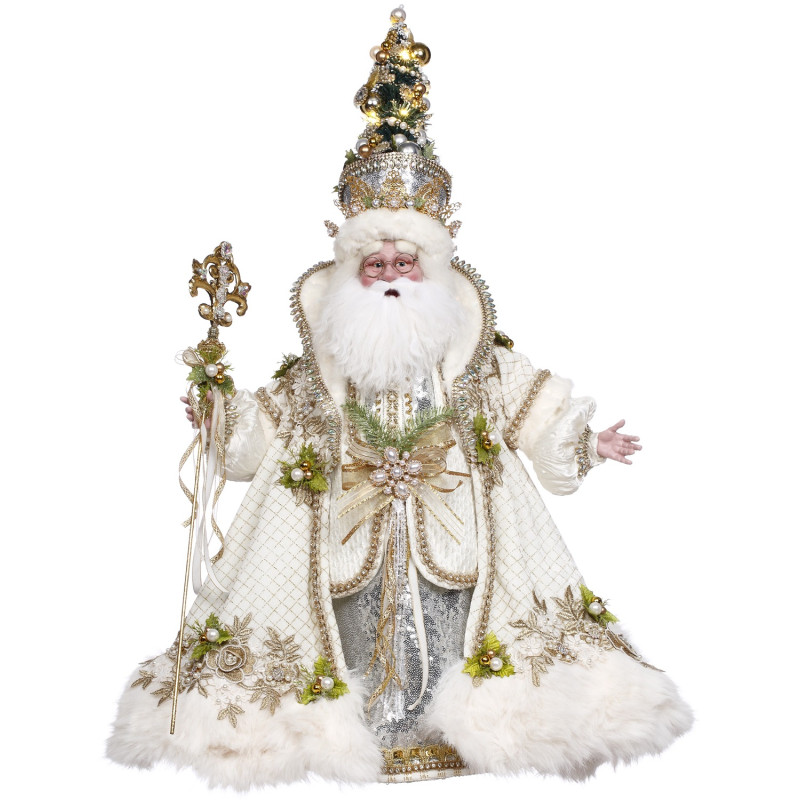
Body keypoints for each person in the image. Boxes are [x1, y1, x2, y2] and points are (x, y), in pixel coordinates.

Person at [108, 8, 691, 788]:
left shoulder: (470, 350)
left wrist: (584, 440)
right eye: (375, 265)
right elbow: (265, 427)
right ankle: (359, 735)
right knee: (345, 618)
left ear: (430, 268)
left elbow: (528, 404)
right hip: (341, 518)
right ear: (352, 271)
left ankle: (453, 731)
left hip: (455, 517)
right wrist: (222, 415)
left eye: (403, 264)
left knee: (454, 617)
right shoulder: (323, 362)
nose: (389, 276)